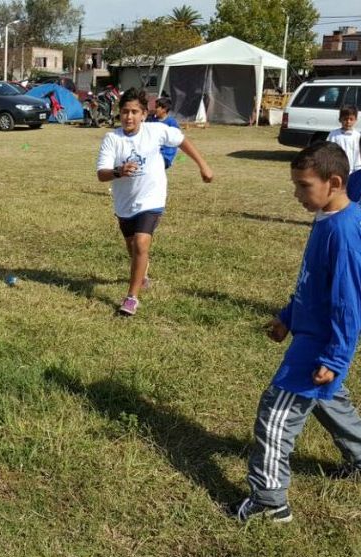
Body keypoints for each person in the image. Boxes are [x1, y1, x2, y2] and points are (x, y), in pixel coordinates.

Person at [231, 141, 361, 523]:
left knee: (275, 416)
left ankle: (270, 501)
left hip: (319, 346)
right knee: (331, 403)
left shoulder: (343, 232)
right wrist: (288, 316)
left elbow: (347, 304)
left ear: (334, 182)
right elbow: (313, 285)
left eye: (304, 186)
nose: (296, 194)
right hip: (309, 335)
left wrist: (335, 358)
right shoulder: (327, 218)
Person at [96, 87, 213, 316]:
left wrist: (204, 166)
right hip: (124, 203)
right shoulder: (112, 139)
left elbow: (182, 141)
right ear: (119, 114)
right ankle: (143, 273)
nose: (129, 117)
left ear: (144, 114)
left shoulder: (157, 131)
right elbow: (101, 174)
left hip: (152, 197)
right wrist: (119, 172)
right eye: (125, 112)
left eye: (135, 112)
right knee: (132, 247)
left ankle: (131, 298)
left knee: (141, 243)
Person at [148, 97, 180, 169]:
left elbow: (176, 139)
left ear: (164, 109)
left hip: (166, 155)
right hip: (153, 153)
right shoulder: (152, 120)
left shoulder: (171, 122)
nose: (155, 109)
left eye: (157, 107)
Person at [327, 105, 361, 173]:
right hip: (336, 168)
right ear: (340, 119)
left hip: (352, 170)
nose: (348, 122)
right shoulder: (333, 135)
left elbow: (358, 154)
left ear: (356, 120)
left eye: (351, 119)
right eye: (345, 119)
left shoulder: (357, 136)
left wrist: (357, 169)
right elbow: (328, 151)